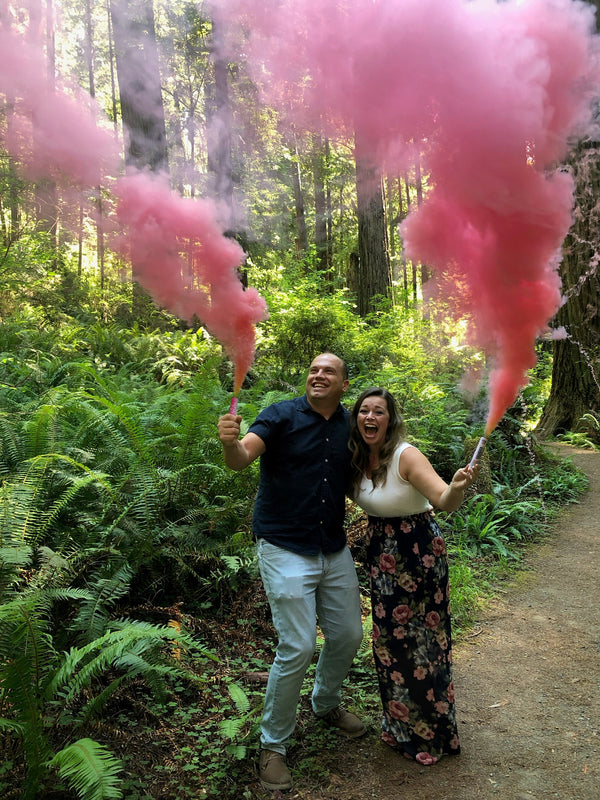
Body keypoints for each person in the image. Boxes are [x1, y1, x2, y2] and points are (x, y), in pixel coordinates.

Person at [217, 353, 365, 792]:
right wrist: (229, 441)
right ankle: (273, 746)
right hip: (283, 546)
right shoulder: (280, 414)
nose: (318, 375)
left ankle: (325, 702)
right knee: (298, 645)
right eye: (314, 370)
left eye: (329, 372)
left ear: (343, 384)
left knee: (348, 636)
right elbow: (241, 458)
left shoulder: (350, 425)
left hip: (332, 547)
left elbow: (368, 474)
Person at [348, 387, 479, 766]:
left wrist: (456, 487)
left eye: (379, 412)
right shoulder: (356, 458)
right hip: (381, 556)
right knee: (388, 644)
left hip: (418, 554)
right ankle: (399, 727)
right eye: (364, 411)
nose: (370, 417)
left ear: (391, 420)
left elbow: (443, 500)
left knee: (424, 644)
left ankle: (435, 735)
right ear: (356, 418)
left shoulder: (406, 456)